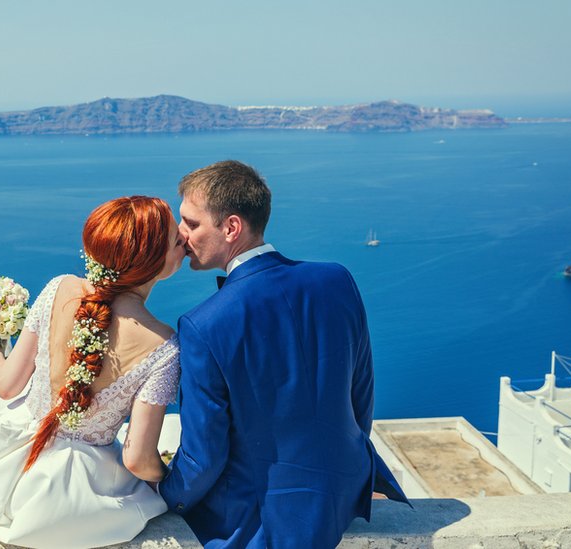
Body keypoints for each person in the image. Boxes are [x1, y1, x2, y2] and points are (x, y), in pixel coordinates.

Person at [0, 196, 185, 549]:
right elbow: (138, 460)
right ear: (153, 261)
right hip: (80, 493)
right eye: (177, 240)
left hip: (2, 468)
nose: (186, 242)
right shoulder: (163, 346)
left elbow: (7, 386)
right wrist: (169, 479)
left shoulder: (59, 288)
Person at [159, 161, 408, 549]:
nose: (181, 233)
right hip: (340, 497)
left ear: (231, 228)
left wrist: (164, 494)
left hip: (263, 521)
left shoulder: (203, 325)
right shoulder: (337, 279)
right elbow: (361, 398)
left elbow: (203, 456)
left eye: (191, 223)